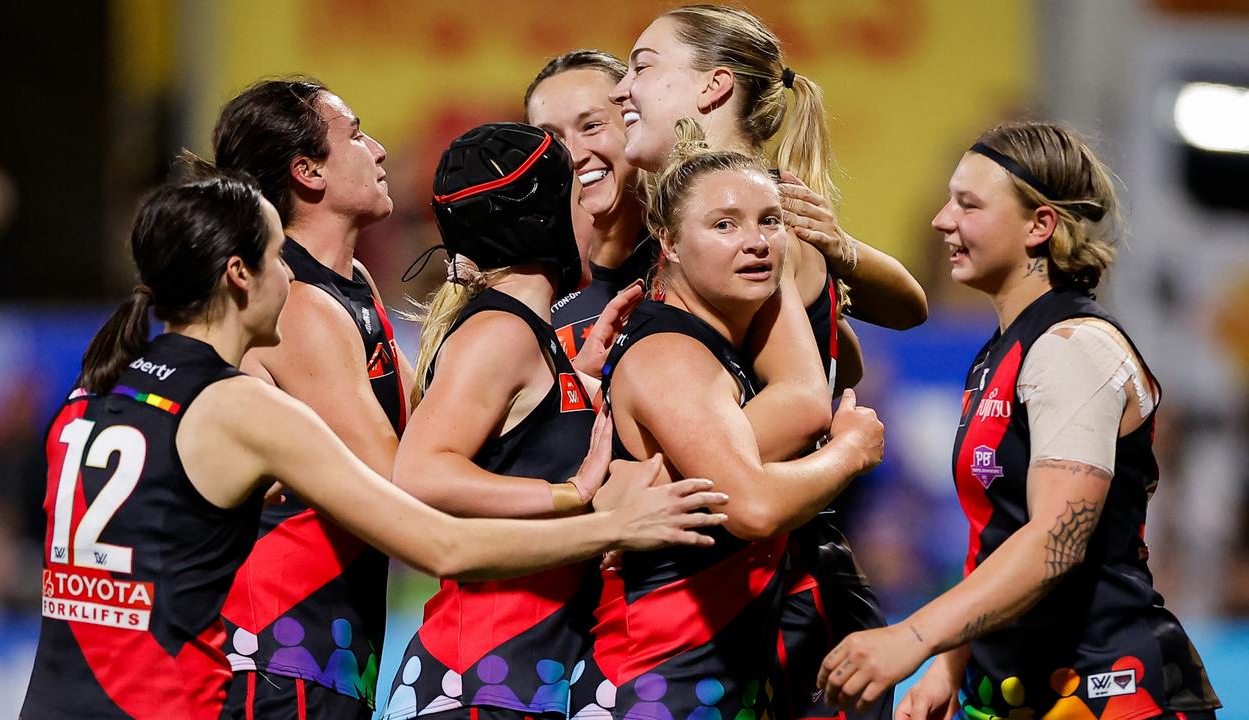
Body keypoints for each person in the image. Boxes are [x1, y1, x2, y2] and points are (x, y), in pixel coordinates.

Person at [18, 165, 730, 720]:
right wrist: (609, 522)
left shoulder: (92, 393)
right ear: (238, 275)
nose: (292, 277)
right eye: (277, 259)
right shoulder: (245, 410)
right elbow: (440, 545)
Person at [817, 121, 1222, 720]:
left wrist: (916, 637)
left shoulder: (1073, 346)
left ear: (1040, 226)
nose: (941, 220)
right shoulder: (1000, 352)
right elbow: (998, 535)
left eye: (969, 204)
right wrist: (950, 663)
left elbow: (1052, 544)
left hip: (1110, 694)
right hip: (1015, 692)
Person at [611, 7, 926, 718]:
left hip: (783, 597)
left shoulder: (760, 220)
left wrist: (658, 464)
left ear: (713, 87)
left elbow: (803, 402)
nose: (623, 88)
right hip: (729, 591)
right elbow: (899, 310)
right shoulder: (695, 217)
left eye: (642, 65)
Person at [577, 134, 885, 720]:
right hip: (659, 683)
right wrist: (851, 450)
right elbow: (753, 508)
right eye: (723, 225)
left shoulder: (724, 344)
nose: (756, 243)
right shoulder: (671, 353)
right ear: (666, 241)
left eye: (770, 222)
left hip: (712, 680)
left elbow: (896, 315)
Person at [384, 121, 644, 720]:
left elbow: (516, 444)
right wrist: (567, 494)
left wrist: (581, 378)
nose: (596, 219)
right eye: (579, 197)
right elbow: (420, 473)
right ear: (546, 218)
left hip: (514, 678)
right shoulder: (500, 333)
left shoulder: (526, 335)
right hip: (482, 682)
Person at [210, 77, 411, 717]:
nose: (378, 150)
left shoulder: (349, 286)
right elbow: (402, 483)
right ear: (308, 172)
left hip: (319, 657)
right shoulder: (297, 305)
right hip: (277, 658)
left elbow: (438, 424)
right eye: (356, 134)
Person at [525, 50, 656, 359]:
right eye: (551, 139)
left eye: (592, 126)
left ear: (637, 126)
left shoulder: (695, 256)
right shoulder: (522, 287)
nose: (572, 155)